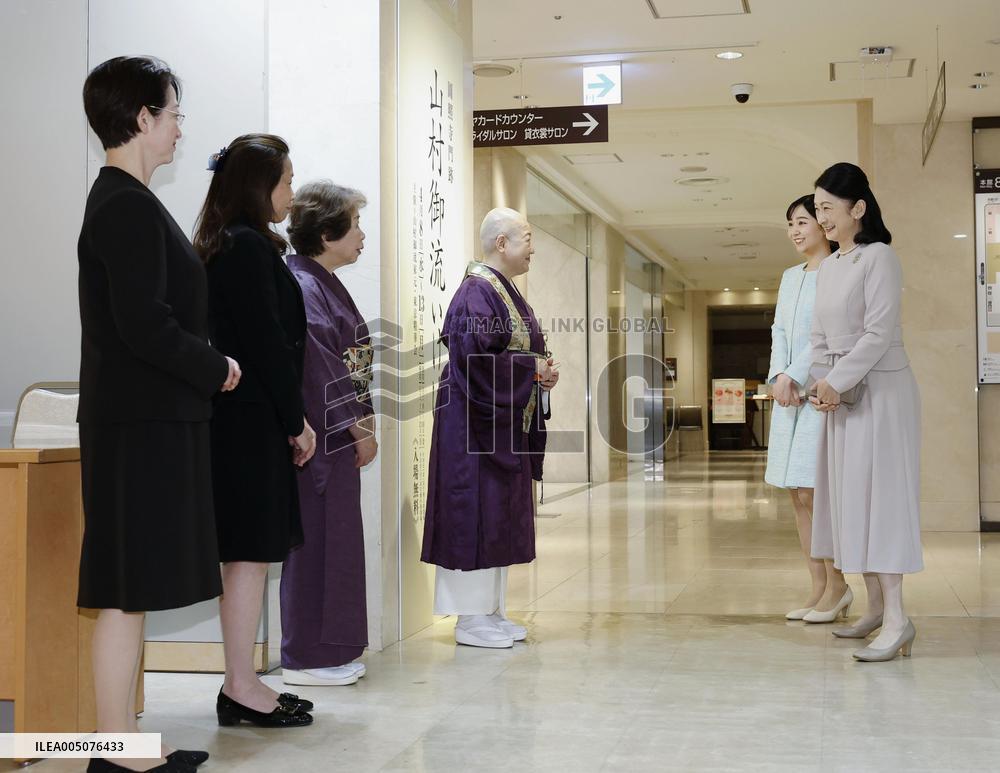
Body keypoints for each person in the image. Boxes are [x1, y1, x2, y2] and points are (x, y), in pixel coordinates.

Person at [78, 56, 238, 772]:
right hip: (138, 426)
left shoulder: (126, 201)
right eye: (172, 115)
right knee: (125, 586)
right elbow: (145, 325)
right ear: (142, 117)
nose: (178, 131)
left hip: (144, 422)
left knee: (128, 586)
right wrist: (217, 366)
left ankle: (121, 746)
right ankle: (117, 751)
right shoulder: (124, 205)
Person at [194, 134, 316, 725]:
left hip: (243, 419)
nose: (291, 193)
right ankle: (241, 685)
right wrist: (296, 422)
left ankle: (241, 682)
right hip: (248, 423)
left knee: (249, 556)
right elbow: (267, 341)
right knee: (247, 555)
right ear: (257, 184)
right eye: (286, 180)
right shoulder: (244, 248)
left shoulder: (236, 243)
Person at [421, 207, 559, 648]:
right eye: (527, 237)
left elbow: (518, 355)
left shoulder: (500, 291)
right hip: (473, 424)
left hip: (499, 421)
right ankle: (469, 619)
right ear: (502, 243)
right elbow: (477, 363)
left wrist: (541, 371)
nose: (533, 246)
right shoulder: (476, 293)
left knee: (497, 511)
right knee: (473, 511)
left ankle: (491, 611)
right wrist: (533, 370)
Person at [809, 162, 922, 662]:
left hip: (881, 395)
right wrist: (821, 383)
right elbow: (818, 338)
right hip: (842, 397)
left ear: (858, 209)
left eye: (828, 209)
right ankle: (875, 608)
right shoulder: (830, 266)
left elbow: (878, 334)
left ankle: (898, 618)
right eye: (817, 210)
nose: (821, 220)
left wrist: (835, 380)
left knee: (884, 499)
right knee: (850, 500)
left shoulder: (881, 258)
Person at [279, 181, 377, 686]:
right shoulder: (304, 284)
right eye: (355, 224)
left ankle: (331, 648)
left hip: (334, 435)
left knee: (335, 538)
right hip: (320, 436)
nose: (362, 234)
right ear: (326, 231)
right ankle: (307, 656)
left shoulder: (321, 282)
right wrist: (359, 426)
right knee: (317, 540)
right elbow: (321, 367)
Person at [765, 195, 850, 623]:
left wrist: (795, 377)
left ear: (822, 224)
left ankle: (838, 586)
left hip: (816, 392)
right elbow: (780, 329)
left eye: (803, 221)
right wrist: (778, 375)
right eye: (790, 224)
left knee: (815, 494)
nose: (796, 231)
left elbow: (827, 336)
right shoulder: (789, 276)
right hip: (787, 395)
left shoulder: (839, 271)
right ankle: (817, 587)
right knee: (796, 494)